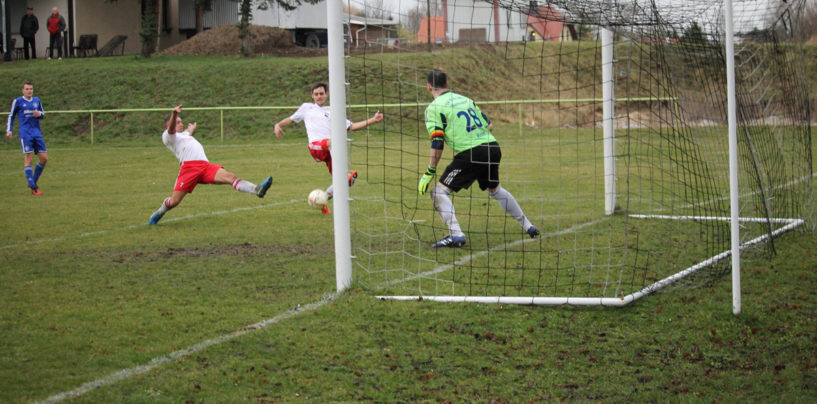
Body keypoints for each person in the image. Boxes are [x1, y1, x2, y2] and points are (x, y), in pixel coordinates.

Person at [418, 69, 539, 248]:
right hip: (492, 147)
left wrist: (430, 171)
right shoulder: (466, 100)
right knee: (495, 190)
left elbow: (437, 142)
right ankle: (528, 225)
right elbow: (489, 125)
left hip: (471, 152)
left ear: (429, 87)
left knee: (438, 192)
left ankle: (456, 235)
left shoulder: (434, 108)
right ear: (447, 84)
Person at [148, 105, 273, 225]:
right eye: (177, 122)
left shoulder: (183, 135)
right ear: (169, 124)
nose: (180, 123)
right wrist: (174, 113)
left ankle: (257, 190)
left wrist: (191, 129)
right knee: (174, 201)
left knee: (230, 177)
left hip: (205, 166)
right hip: (189, 169)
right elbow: (171, 129)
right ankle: (160, 212)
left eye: (181, 121)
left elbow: (186, 132)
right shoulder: (168, 136)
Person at [273, 82, 383, 214]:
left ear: (326, 94)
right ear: (312, 96)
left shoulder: (333, 111)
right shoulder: (306, 108)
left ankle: (323, 200)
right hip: (317, 147)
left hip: (331, 149)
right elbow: (291, 119)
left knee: (342, 182)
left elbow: (351, 127)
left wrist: (373, 120)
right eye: (316, 94)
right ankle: (344, 174)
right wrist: (278, 124)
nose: (319, 96)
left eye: (321, 93)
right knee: (330, 142)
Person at [6, 81, 48, 195]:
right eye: (27, 89)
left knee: (44, 158)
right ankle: (34, 188)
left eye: (31, 89)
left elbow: (43, 114)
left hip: (37, 132)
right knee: (28, 159)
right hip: (25, 133)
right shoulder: (18, 101)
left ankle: (32, 181)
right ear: (23, 90)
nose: (29, 91)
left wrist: (39, 114)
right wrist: (9, 130)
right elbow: (11, 115)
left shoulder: (36, 100)